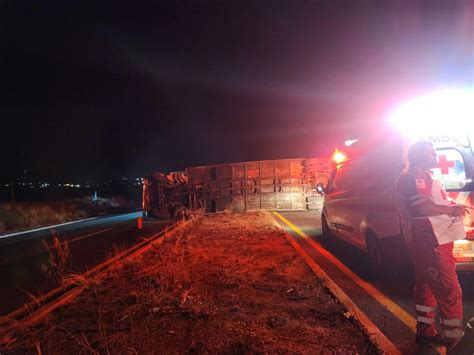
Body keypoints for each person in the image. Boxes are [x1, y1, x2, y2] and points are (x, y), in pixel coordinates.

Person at [396, 141, 467, 350]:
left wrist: (452, 206)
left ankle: (426, 332)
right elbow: (421, 207)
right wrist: (452, 211)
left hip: (432, 241)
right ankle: (456, 342)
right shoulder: (415, 177)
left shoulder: (425, 176)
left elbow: (432, 203)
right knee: (449, 291)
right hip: (430, 242)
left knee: (425, 287)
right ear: (417, 155)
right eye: (430, 153)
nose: (435, 156)